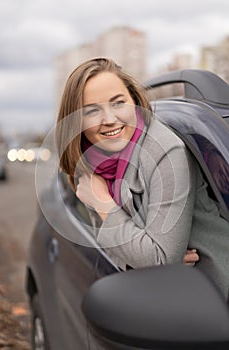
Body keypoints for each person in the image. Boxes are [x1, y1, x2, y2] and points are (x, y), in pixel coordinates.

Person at [56, 57, 229, 301]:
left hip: (214, 297)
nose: (109, 119)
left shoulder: (166, 151)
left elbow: (160, 259)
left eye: (118, 103)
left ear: (135, 102)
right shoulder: (91, 164)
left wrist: (104, 204)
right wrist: (143, 259)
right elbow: (111, 250)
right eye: (92, 110)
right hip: (168, 297)